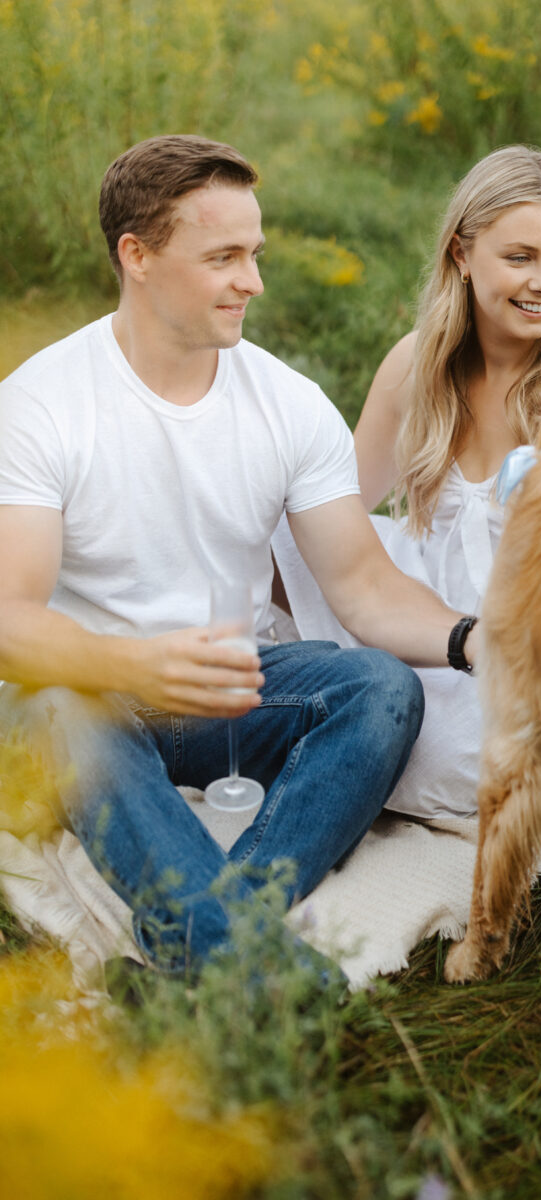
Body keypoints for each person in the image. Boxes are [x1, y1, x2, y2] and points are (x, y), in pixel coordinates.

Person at [0, 134, 482, 979]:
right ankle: (259, 973)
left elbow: (365, 587)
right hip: (82, 694)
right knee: (68, 716)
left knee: (379, 689)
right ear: (137, 256)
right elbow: (9, 620)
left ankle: (210, 937)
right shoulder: (40, 405)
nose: (253, 282)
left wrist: (471, 639)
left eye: (254, 255)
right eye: (223, 257)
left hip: (230, 687)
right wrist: (133, 665)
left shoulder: (289, 405)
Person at [273, 144, 541, 820]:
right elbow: (339, 507)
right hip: (426, 601)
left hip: (540, 632)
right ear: (461, 252)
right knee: (274, 528)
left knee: (463, 759)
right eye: (520, 258)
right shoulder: (416, 365)